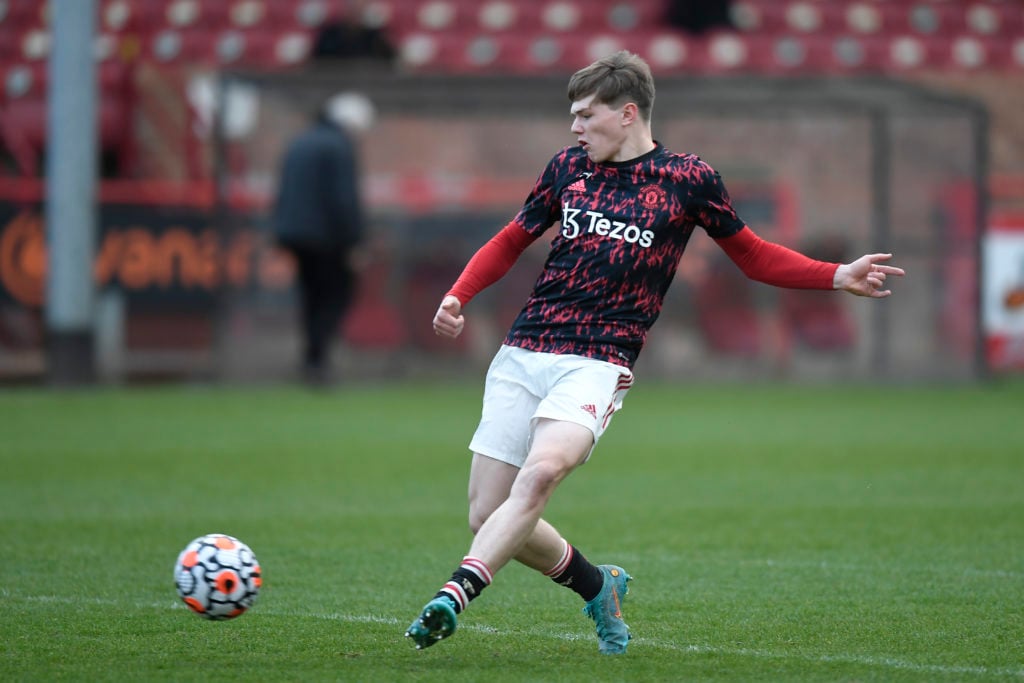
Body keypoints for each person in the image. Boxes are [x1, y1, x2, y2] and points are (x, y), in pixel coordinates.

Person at [405, 51, 904, 655]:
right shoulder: (566, 168)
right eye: (573, 116)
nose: (575, 127)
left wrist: (835, 275)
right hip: (523, 351)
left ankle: (453, 595)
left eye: (585, 115)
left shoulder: (688, 179)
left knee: (539, 476)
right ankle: (598, 584)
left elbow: (751, 254)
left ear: (627, 113)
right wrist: (459, 295)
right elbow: (511, 240)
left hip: (599, 360)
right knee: (488, 514)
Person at [272, 92, 373, 385]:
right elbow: (344, 199)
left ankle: (310, 359)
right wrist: (354, 241)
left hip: (295, 234)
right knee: (335, 295)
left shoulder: (300, 141)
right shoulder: (339, 146)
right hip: (327, 238)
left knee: (311, 296)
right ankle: (318, 360)